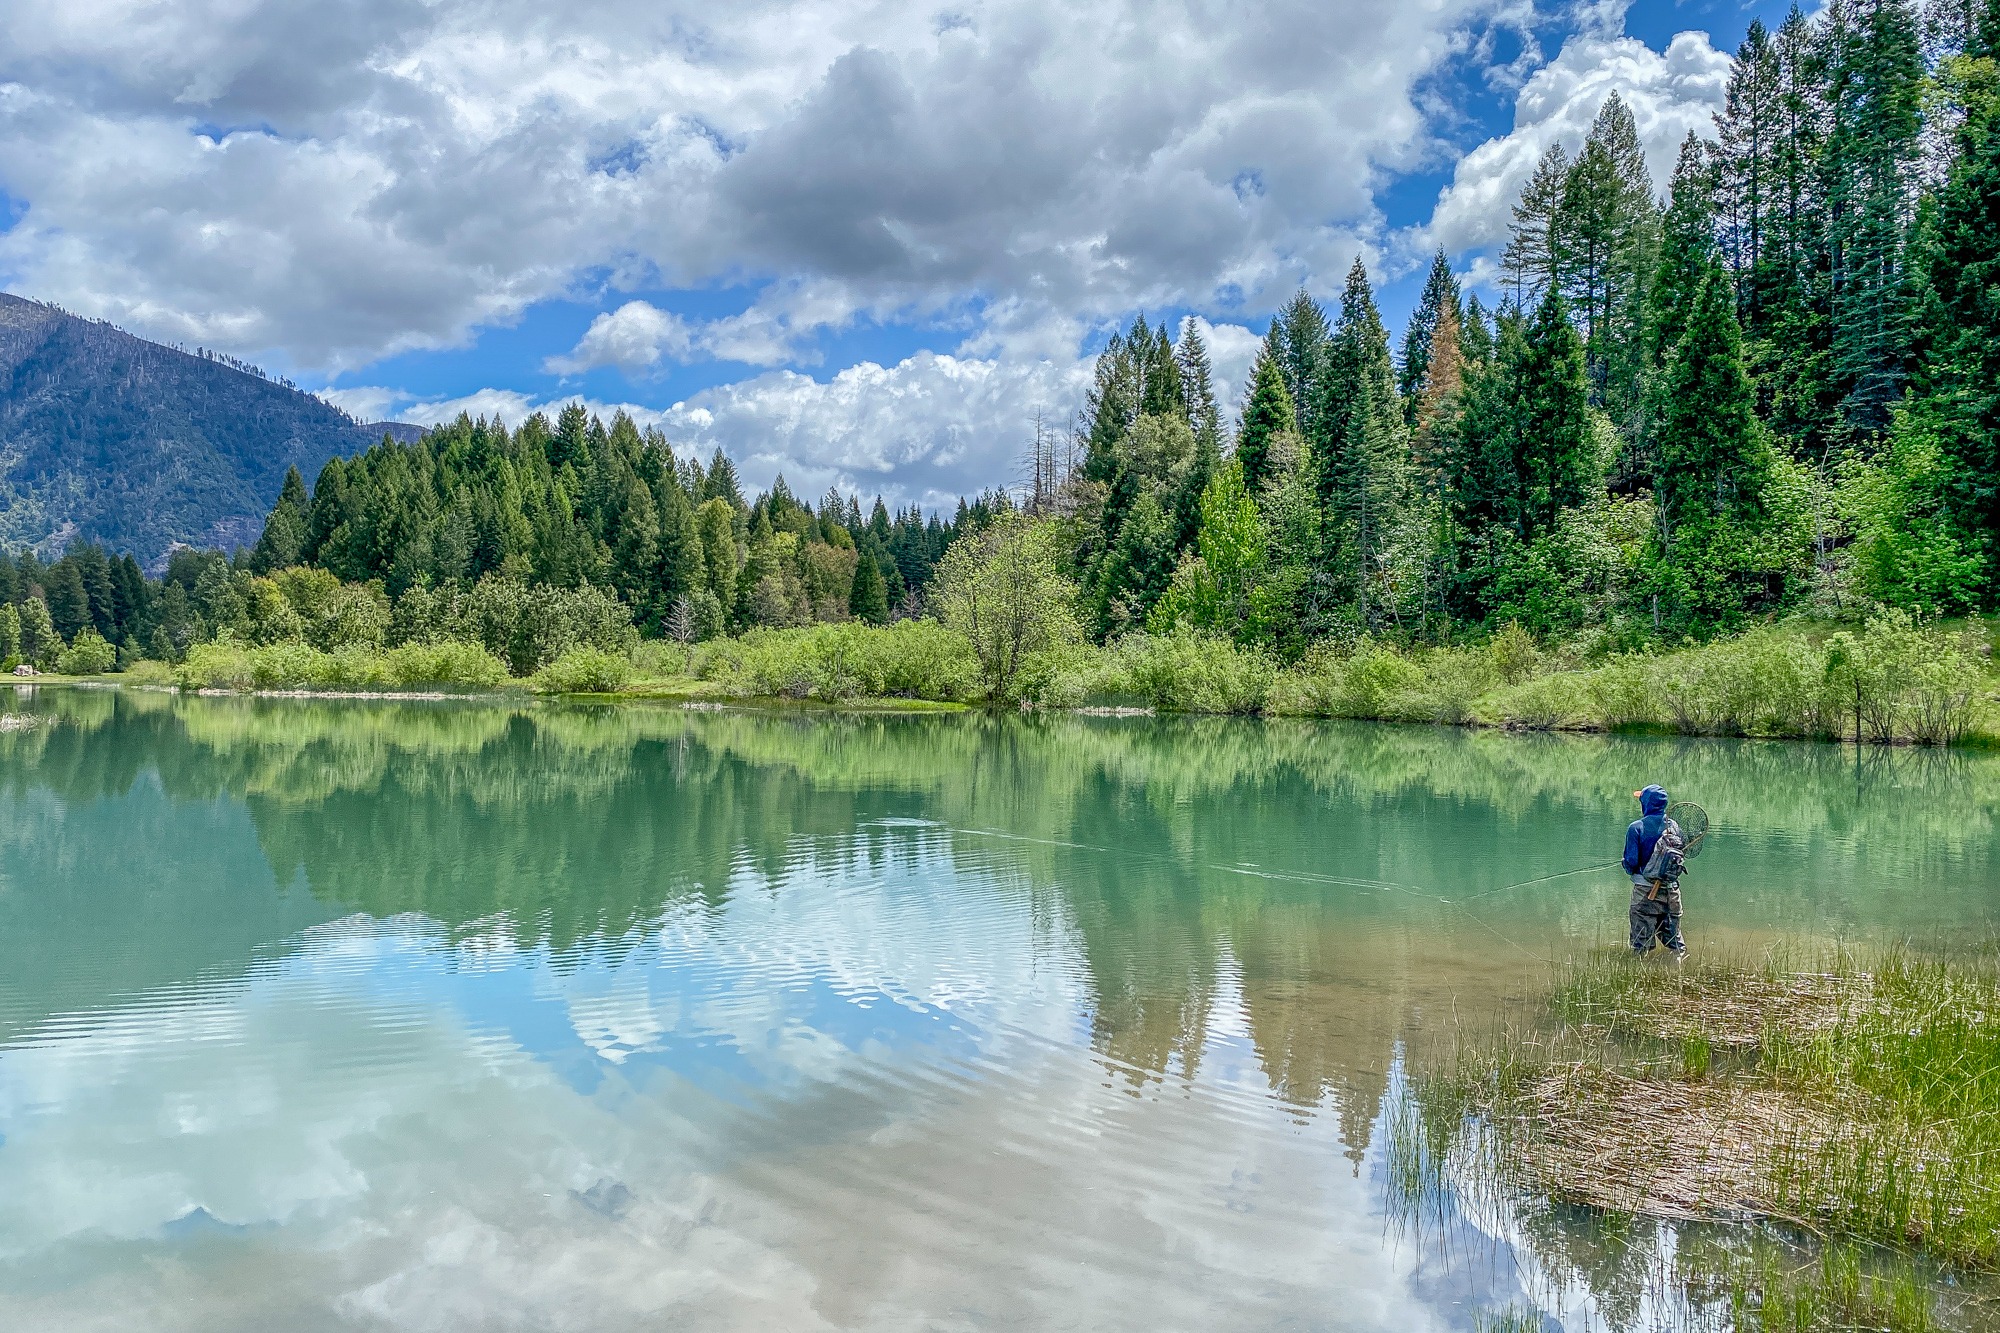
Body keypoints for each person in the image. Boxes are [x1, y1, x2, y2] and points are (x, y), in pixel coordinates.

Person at [1622, 785, 1686, 957]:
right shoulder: (1674, 827)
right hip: (1672, 892)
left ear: (1646, 803)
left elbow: (1631, 862)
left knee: (1640, 945)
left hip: (1645, 893)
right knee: (1675, 944)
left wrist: (1626, 865)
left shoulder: (1636, 828)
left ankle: (1638, 976)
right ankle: (1679, 974)